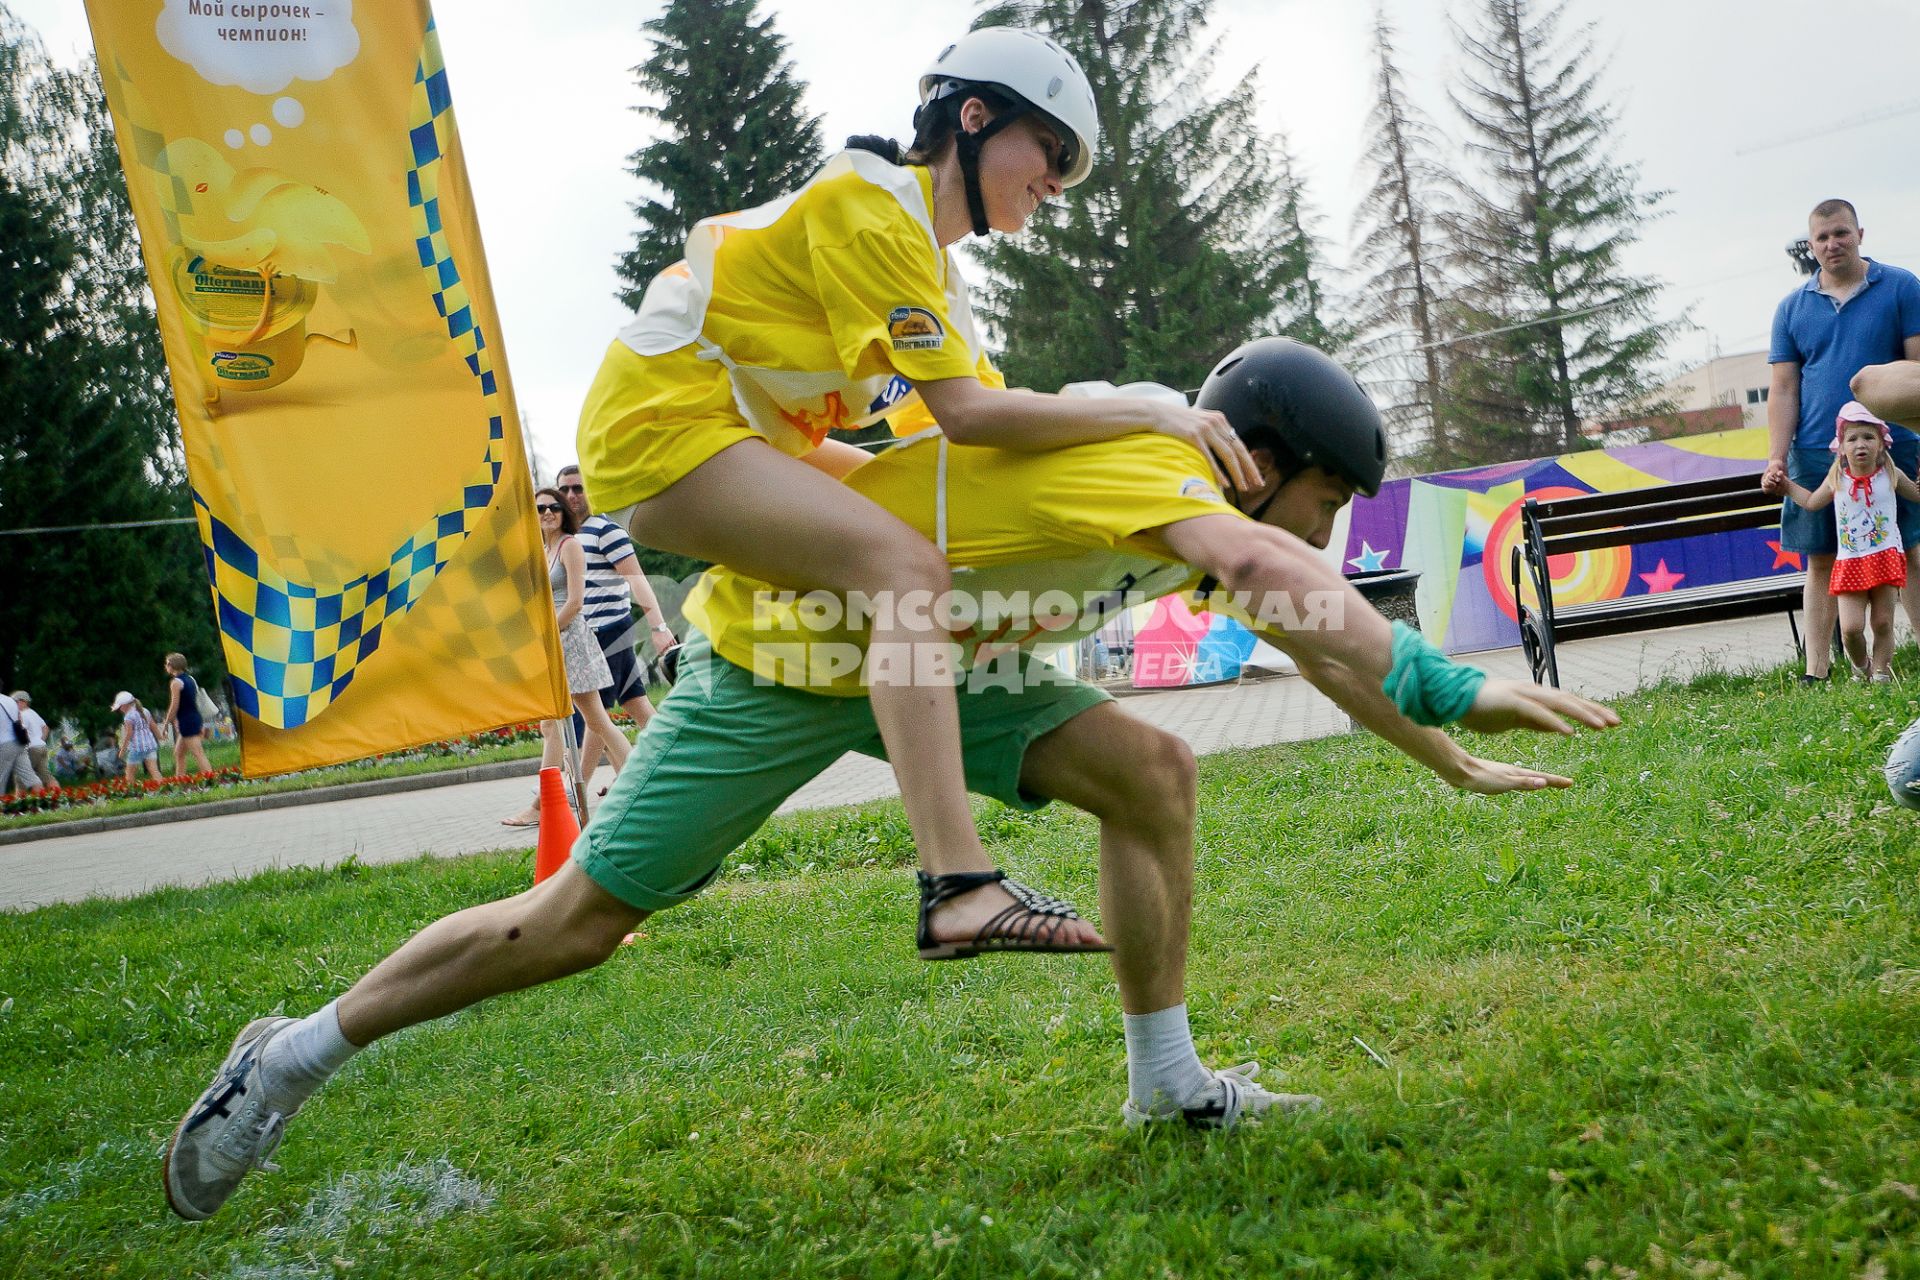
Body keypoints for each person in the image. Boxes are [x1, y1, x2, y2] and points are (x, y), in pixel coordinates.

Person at [161, 337, 1620, 1221]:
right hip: (787, 660)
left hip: (941, 673)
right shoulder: (1161, 482)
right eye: (1331, 498)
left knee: (1154, 771)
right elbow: (1277, 571)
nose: (1330, 526)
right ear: (1276, 465)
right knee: (580, 922)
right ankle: (288, 1055)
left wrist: (1450, 762)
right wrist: (1445, 676)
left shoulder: (1188, 501)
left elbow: (1308, 634)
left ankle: (1169, 1088)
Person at [576, 26, 1262, 953]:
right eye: (1052, 152)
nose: (1056, 183)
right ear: (973, 119)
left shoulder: (928, 271)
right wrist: (1155, 419)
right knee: (902, 563)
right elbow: (975, 417)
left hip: (731, 434)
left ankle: (862, 685)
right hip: (661, 423)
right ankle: (957, 882)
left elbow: (955, 451)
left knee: (915, 539)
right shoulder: (869, 202)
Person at [1763, 199, 1920, 682]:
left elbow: (1917, 372)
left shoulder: (1901, 287)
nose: (1833, 244)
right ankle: (1816, 669)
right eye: (1823, 238)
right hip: (1814, 449)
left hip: (1892, 446)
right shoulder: (1792, 307)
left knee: (1912, 548)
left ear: (1860, 234)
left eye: (1841, 233)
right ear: (1811, 246)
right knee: (1820, 557)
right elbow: (1785, 387)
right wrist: (1776, 457)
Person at [499, 488, 633, 827]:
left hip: (570, 640)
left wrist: (546, 636)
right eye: (540, 508)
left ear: (564, 512)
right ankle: (545, 805)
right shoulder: (542, 551)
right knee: (554, 722)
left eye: (553, 507)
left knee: (594, 720)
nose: (546, 513)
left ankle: (634, 784)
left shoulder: (571, 546)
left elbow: (574, 602)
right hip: (551, 643)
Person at [1767, 402, 1920, 680]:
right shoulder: (1838, 478)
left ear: (1882, 445)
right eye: (1852, 439)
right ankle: (1862, 666)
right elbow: (1813, 503)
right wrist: (1787, 487)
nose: (1861, 444)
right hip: (1851, 562)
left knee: (1883, 622)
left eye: (1868, 437)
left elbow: (1917, 495)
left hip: (1886, 557)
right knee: (1851, 628)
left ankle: (1883, 675)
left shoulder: (1891, 475)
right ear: (1842, 448)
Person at [554, 462, 675, 771]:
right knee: (636, 704)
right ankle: (676, 760)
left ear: (590, 491)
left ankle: (578, 788)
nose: (571, 495)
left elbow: (636, 579)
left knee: (595, 716)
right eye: (564, 489)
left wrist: (658, 626)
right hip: (587, 633)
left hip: (608, 629)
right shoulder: (565, 537)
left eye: (578, 488)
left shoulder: (606, 530)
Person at [156, 654, 213, 777]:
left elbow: (174, 705)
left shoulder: (176, 682)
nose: (166, 666)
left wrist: (166, 723)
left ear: (173, 666)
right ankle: (180, 782)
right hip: (194, 717)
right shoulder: (190, 679)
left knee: (198, 753)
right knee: (178, 753)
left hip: (187, 720)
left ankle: (211, 780)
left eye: (167, 664)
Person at [113, 690, 162, 784]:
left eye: (120, 707)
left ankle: (132, 793)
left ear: (125, 705)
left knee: (129, 773)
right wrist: (160, 736)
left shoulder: (128, 716)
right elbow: (153, 725)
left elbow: (129, 733)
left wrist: (123, 749)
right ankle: (164, 790)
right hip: (150, 745)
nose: (120, 709)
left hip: (137, 748)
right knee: (154, 770)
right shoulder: (145, 710)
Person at [0, 685, 38, 795]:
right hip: (19, 743)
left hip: (4, 745)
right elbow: (19, 720)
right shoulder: (10, 701)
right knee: (30, 778)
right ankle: (49, 802)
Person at [10, 691, 49, 789]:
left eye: (15, 702)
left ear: (23, 701)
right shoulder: (33, 713)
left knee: (21, 777)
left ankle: (19, 803)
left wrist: (24, 745)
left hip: (32, 749)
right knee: (46, 777)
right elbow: (45, 728)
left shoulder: (22, 714)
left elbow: (24, 732)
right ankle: (59, 799)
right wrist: (41, 741)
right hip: (42, 747)